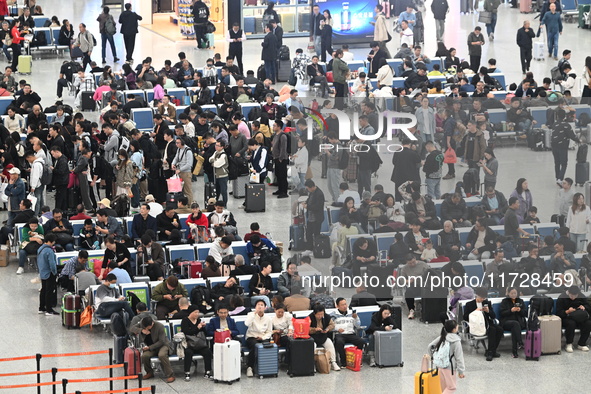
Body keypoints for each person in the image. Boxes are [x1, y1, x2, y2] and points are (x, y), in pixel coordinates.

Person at [463, 287, 504, 361]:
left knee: (500, 330)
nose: (483, 299)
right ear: (477, 295)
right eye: (481, 297)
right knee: (492, 330)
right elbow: (465, 317)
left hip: (487, 323)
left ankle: (492, 350)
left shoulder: (487, 303)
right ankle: (491, 352)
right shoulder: (469, 304)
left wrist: (488, 311)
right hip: (476, 325)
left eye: (484, 297)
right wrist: (475, 311)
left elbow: (493, 316)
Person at [131, 317, 175, 383]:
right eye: (145, 327)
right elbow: (132, 328)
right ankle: (149, 372)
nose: (147, 328)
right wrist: (141, 330)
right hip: (150, 346)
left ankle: (170, 374)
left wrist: (149, 347)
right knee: (144, 356)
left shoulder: (159, 326)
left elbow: (161, 341)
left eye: (148, 327)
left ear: (152, 324)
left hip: (162, 345)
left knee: (162, 355)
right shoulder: (142, 324)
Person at [428, 320, 466, 393]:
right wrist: (461, 371)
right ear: (454, 329)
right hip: (449, 368)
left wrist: (432, 357)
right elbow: (459, 357)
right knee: (451, 388)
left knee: (444, 388)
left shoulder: (442, 337)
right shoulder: (456, 341)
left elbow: (430, 346)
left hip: (440, 366)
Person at [181, 305, 213, 381]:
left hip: (200, 344)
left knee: (207, 352)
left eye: (198, 312)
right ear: (190, 313)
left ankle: (208, 371)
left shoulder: (199, 320)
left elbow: (204, 333)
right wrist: (197, 328)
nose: (197, 314)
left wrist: (203, 327)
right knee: (188, 353)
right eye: (195, 312)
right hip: (190, 344)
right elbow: (187, 332)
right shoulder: (185, 321)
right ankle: (187, 372)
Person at [331, 298, 365, 367]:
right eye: (342, 305)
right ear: (337, 306)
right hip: (340, 334)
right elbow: (329, 326)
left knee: (361, 341)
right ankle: (343, 362)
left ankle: (356, 359)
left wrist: (356, 318)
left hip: (350, 333)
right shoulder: (333, 315)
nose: (345, 306)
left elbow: (358, 325)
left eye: (345, 304)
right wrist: (337, 328)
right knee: (339, 342)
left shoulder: (351, 313)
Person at [556, 285, 591, 353]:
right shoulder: (562, 297)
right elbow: (559, 313)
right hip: (566, 317)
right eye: (571, 296)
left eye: (575, 296)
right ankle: (569, 343)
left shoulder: (581, 296)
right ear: (568, 292)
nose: (573, 298)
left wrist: (584, 307)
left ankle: (582, 343)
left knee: (588, 323)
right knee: (571, 323)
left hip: (579, 316)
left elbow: (588, 306)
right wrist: (567, 311)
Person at [245, 299, 273, 377]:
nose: (260, 306)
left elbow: (269, 332)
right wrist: (254, 314)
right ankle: (250, 367)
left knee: (267, 345)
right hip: (251, 337)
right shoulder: (250, 315)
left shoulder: (268, 318)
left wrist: (263, 337)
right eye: (258, 305)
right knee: (255, 346)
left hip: (263, 337)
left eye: (262, 305)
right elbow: (247, 324)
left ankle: (266, 367)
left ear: (265, 307)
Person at [551, 110, 579, 185]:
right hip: (562, 146)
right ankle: (560, 179)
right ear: (565, 116)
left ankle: (557, 178)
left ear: (557, 116)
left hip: (554, 146)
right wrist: (579, 140)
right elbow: (572, 136)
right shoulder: (566, 125)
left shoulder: (554, 124)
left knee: (557, 162)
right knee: (564, 163)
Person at [308, 304, 340, 370]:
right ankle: (312, 364)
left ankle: (333, 362)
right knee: (312, 346)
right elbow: (306, 329)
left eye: (321, 314)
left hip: (323, 336)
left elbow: (332, 325)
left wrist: (328, 329)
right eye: (318, 314)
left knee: (330, 344)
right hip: (312, 337)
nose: (320, 316)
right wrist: (314, 329)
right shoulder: (309, 318)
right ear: (314, 313)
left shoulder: (326, 317)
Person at [499, 287, 527, 358]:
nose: (514, 295)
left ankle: (515, 352)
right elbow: (502, 313)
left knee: (515, 327)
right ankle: (520, 342)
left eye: (515, 293)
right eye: (512, 293)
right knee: (515, 324)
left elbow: (525, 313)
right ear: (508, 293)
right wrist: (510, 311)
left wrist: (520, 310)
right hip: (506, 322)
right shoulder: (504, 301)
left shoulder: (520, 301)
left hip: (517, 323)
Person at [400, 254, 428, 319]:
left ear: (415, 259)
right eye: (410, 263)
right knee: (408, 292)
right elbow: (402, 280)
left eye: (413, 262)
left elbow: (430, 273)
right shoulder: (405, 268)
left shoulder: (423, 264)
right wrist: (409, 281)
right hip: (415, 285)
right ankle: (411, 310)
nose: (412, 264)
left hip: (425, 284)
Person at [37, 233, 58, 315]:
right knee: (49, 291)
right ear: (50, 241)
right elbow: (52, 264)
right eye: (53, 242)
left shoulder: (40, 249)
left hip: (42, 272)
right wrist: (55, 272)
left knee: (43, 290)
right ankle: (49, 309)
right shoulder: (49, 251)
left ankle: (41, 307)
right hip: (49, 273)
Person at [171, 137, 194, 205]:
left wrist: (180, 169)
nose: (176, 144)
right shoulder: (179, 149)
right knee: (180, 191)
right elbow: (176, 158)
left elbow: (189, 164)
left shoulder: (188, 151)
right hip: (179, 172)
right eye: (176, 142)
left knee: (187, 190)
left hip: (186, 173)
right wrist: (173, 163)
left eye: (178, 143)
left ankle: (189, 205)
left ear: (182, 143)